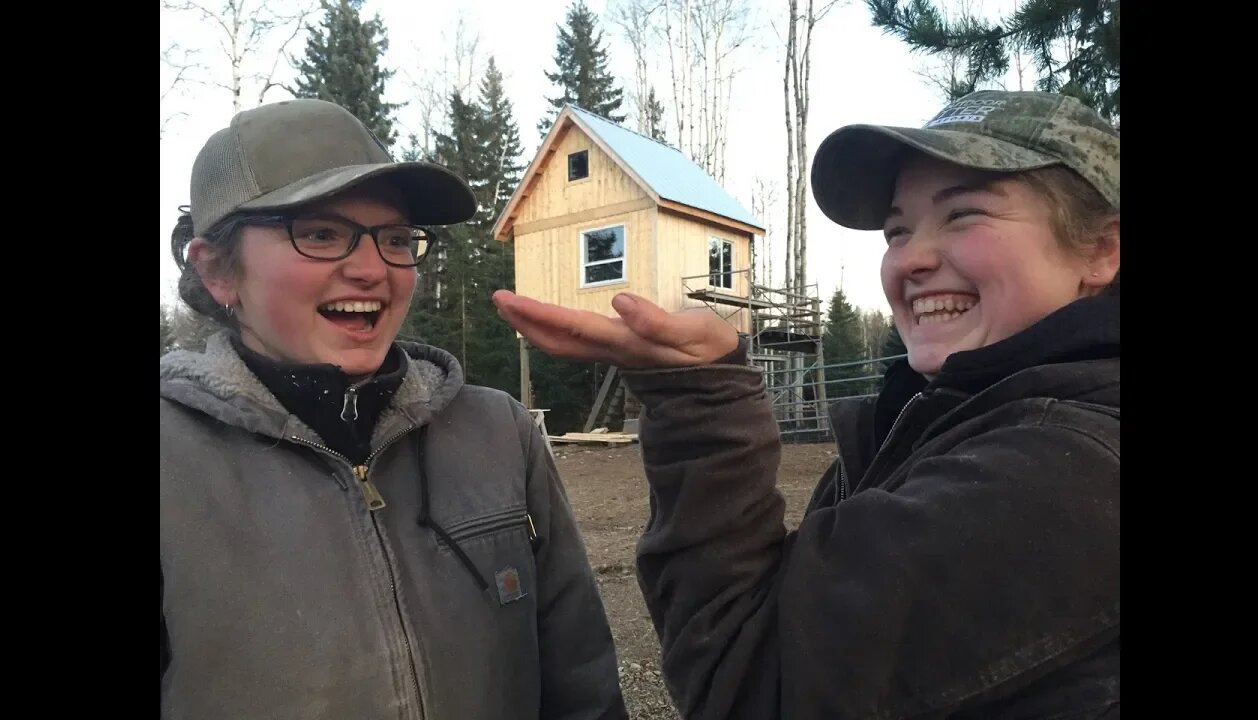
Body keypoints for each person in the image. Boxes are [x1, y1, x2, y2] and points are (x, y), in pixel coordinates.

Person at [492, 89, 1120, 719]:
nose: (912, 258)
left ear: (1101, 251)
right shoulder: (945, 420)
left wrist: (702, 401)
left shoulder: (1061, 468)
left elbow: (750, 682)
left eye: (964, 215)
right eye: (898, 230)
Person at [160, 98, 626, 720]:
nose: (372, 269)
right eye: (321, 233)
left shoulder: (500, 433)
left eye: (396, 239)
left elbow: (582, 686)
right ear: (218, 271)